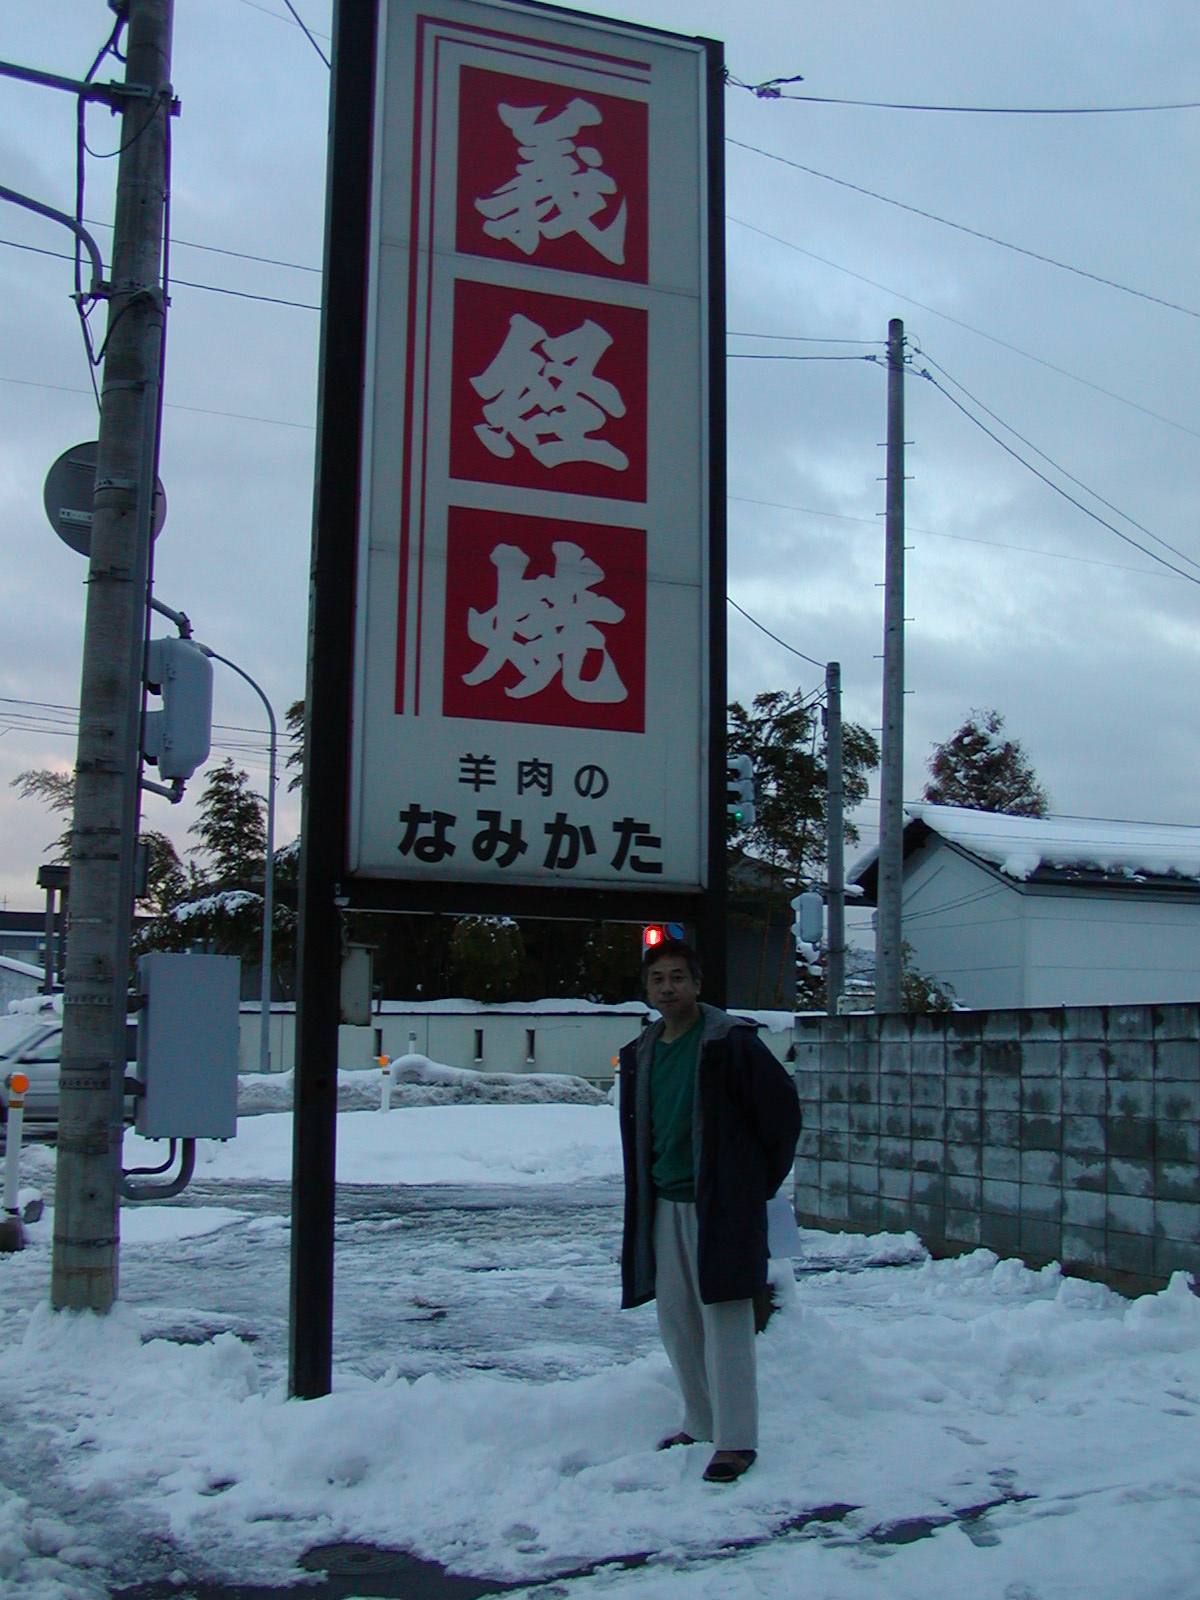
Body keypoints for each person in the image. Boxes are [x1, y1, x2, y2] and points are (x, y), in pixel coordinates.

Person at [618, 937, 802, 1483]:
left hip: (719, 1206)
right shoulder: (643, 1052)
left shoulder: (731, 1043)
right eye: (658, 979)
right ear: (647, 990)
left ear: (697, 984)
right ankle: (699, 1421)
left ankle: (736, 1440)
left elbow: (781, 1116)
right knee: (676, 1319)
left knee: (725, 1317)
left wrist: (753, 1184)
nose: (668, 987)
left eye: (678, 977)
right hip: (663, 1202)